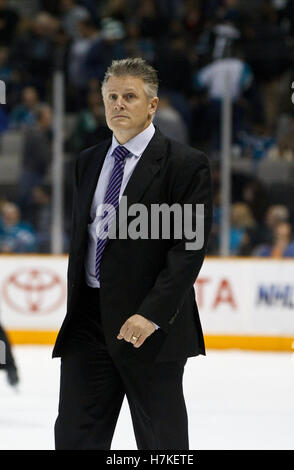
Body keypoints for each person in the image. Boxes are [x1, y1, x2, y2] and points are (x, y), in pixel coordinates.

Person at [53, 57, 213, 450]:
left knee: (162, 443)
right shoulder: (88, 160)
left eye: (129, 96)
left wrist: (151, 314)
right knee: (74, 436)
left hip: (150, 328)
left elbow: (187, 250)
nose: (118, 104)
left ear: (152, 105)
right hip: (88, 322)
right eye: (111, 96)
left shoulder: (185, 165)